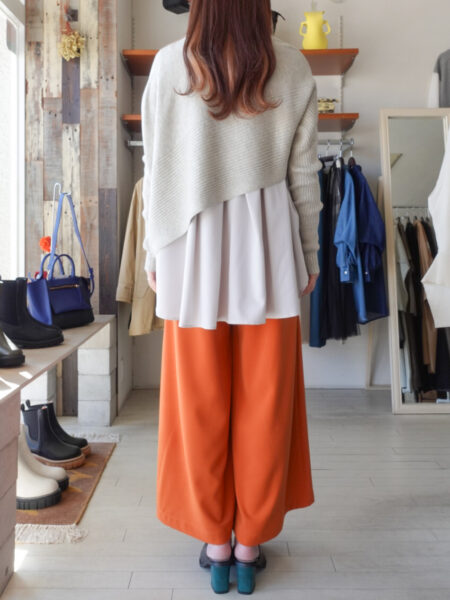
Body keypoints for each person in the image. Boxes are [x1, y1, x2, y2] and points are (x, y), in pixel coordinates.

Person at [141, 0, 322, 594]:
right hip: (266, 246)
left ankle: (216, 543)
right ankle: (249, 546)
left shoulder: (169, 64)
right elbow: (303, 176)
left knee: (198, 400)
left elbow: (156, 169)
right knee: (265, 400)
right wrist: (309, 254)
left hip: (189, 243)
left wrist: (152, 254)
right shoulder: (290, 66)